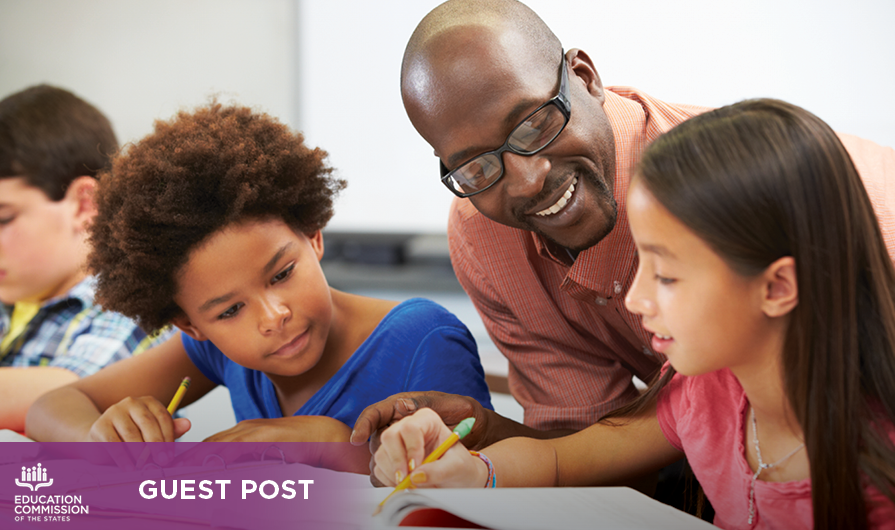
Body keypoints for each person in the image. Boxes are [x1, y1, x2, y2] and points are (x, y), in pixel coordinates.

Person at [350, 0, 895, 453]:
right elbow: (591, 448)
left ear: (585, 79)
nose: (526, 180)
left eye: (535, 123)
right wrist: (485, 431)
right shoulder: (484, 236)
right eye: (476, 166)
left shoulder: (775, 193)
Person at [372, 98, 895, 529]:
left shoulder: (877, 463)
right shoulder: (709, 392)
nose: (635, 300)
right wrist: (475, 473)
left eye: (666, 276)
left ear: (778, 286)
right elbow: (563, 458)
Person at [25, 102, 493, 473]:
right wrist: (102, 438)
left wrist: (331, 447)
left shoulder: (423, 340)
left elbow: (473, 483)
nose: (273, 317)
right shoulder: (214, 351)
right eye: (229, 311)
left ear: (313, 235)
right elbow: (53, 405)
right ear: (190, 324)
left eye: (282, 274)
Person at [0, 85, 171, 432]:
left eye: (4, 219)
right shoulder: (14, 294)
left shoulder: (135, 303)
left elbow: (75, 395)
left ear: (84, 205)